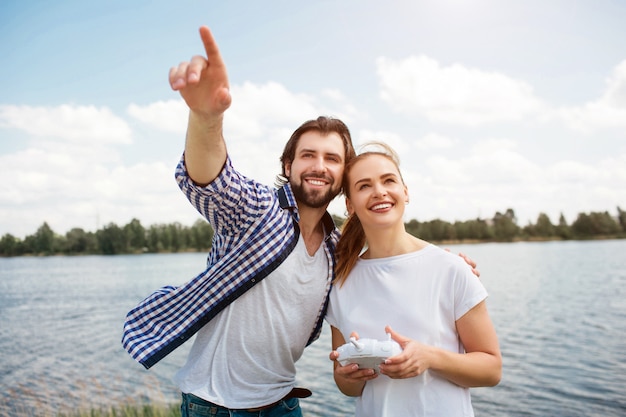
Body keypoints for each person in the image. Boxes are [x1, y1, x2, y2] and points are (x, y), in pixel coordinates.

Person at [121, 26, 479, 416]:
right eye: (308, 155)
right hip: (216, 406)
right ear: (288, 165)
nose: (319, 167)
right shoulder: (256, 211)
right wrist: (206, 118)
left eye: (332, 158)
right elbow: (211, 178)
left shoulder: (338, 248)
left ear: (342, 177)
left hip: (285, 404)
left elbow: (387, 260)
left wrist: (443, 261)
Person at [326, 142, 502, 417]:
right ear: (350, 205)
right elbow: (346, 386)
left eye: (388, 181)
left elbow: (491, 370)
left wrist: (430, 357)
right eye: (364, 186)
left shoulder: (451, 270)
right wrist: (349, 376)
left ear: (405, 192)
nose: (379, 192)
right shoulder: (342, 283)